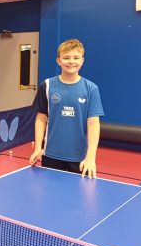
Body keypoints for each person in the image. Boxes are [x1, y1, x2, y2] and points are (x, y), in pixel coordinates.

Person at [29, 39, 104, 178]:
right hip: (50, 155)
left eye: (76, 57)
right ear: (58, 61)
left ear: (82, 61)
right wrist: (37, 148)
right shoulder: (46, 85)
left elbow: (94, 124)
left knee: (77, 197)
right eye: (66, 57)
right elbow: (40, 119)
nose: (71, 61)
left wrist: (90, 157)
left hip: (79, 158)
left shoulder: (91, 89)